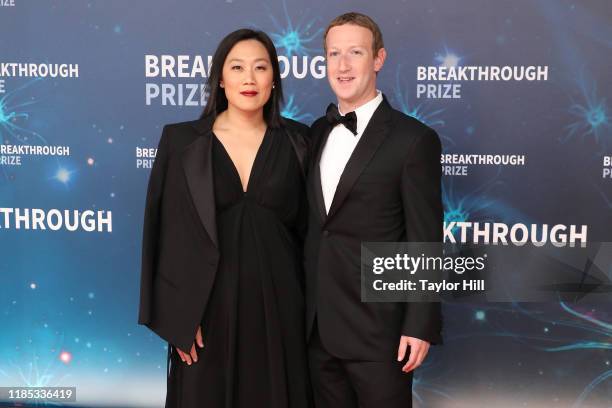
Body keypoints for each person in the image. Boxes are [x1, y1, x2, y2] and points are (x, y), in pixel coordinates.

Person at [138, 29, 312, 408]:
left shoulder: (302, 141)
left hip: (283, 312)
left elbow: (317, 235)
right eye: (237, 67)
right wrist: (177, 320)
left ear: (274, 79)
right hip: (205, 315)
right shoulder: (181, 142)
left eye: (260, 67)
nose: (249, 78)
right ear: (220, 78)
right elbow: (162, 234)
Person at [304, 12, 443, 408]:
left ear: (378, 59)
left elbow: (424, 236)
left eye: (355, 52)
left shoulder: (414, 140)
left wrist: (419, 325)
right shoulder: (315, 132)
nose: (343, 65)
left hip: (380, 333)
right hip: (316, 330)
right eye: (334, 54)